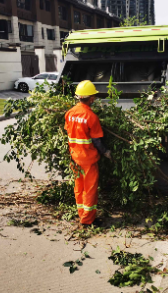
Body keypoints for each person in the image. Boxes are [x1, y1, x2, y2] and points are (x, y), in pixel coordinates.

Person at [65, 81, 112, 228]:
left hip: (74, 157)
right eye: (94, 97)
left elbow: (70, 132)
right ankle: (88, 220)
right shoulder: (91, 117)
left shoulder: (69, 113)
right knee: (90, 190)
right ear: (91, 98)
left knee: (79, 188)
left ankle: (82, 215)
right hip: (88, 159)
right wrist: (106, 152)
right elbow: (96, 141)